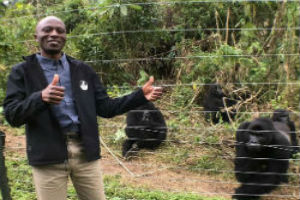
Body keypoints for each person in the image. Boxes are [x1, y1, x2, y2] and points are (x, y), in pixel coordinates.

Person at [3, 16, 162, 200]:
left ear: (65, 37)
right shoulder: (22, 72)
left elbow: (106, 108)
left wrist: (139, 96)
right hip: (48, 155)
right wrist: (40, 97)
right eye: (47, 30)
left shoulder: (83, 70)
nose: (54, 34)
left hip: (85, 152)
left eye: (59, 30)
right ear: (36, 36)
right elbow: (12, 115)